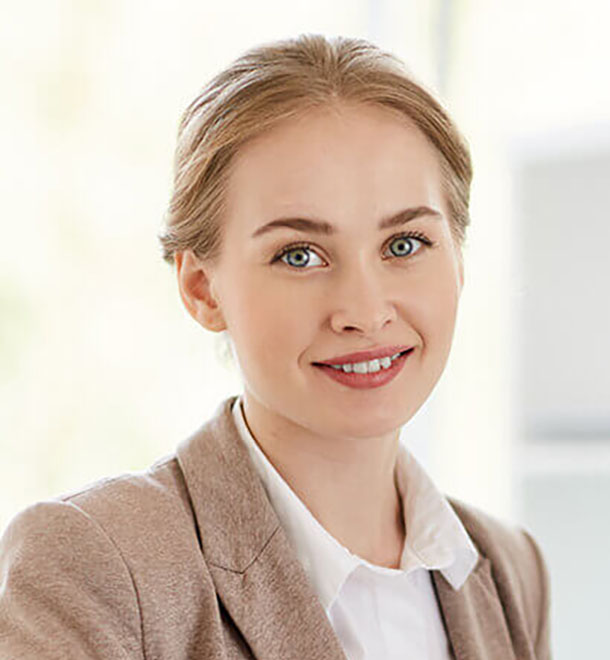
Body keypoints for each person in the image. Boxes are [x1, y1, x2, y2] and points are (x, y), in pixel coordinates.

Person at [0, 34, 551, 659]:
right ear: (202, 288)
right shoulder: (97, 567)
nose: (365, 312)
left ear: (458, 259)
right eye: (299, 255)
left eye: (404, 245)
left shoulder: (508, 569)